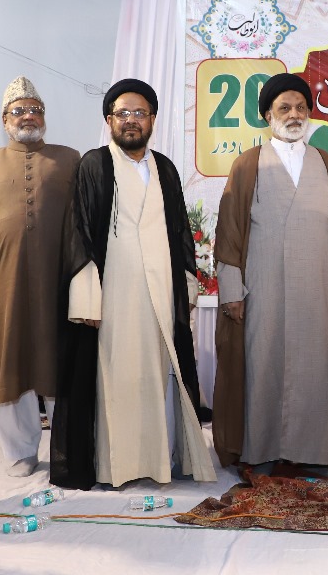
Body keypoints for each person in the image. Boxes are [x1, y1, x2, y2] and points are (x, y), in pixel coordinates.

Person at [50, 78, 217, 490]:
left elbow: (180, 231)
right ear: (109, 120)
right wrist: (86, 296)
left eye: (139, 113)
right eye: (122, 113)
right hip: (114, 295)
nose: (130, 120)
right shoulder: (94, 164)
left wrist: (187, 282)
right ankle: (115, 467)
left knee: (157, 378)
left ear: (153, 119)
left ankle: (160, 462)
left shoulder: (165, 168)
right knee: (116, 380)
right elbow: (78, 231)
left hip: (160, 292)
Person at [211, 73, 328, 474]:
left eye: (300, 107)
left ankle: (319, 455)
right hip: (263, 290)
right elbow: (229, 233)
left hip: (316, 290)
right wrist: (232, 291)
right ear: (267, 115)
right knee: (263, 368)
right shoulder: (248, 164)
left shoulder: (325, 163)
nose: (294, 115)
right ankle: (261, 453)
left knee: (318, 370)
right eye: (284, 108)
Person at [0, 76, 79, 477]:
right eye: (19, 111)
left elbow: (83, 221)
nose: (28, 116)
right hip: (4, 285)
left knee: (60, 359)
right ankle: (19, 451)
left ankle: (67, 448)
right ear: (5, 119)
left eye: (35, 109)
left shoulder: (70, 159)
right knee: (9, 360)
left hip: (58, 281)